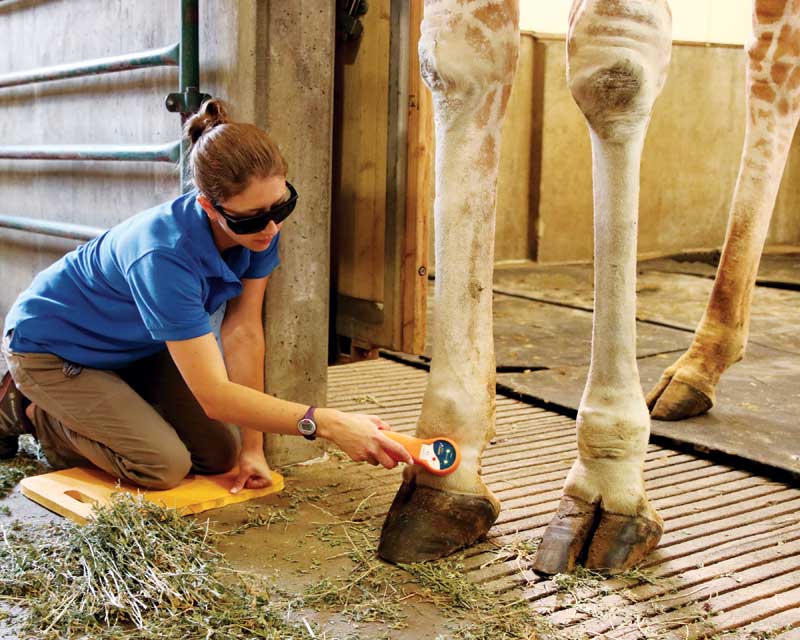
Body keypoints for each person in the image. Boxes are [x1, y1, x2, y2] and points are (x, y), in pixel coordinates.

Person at [0, 99, 412, 493]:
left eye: (281, 207)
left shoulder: (256, 228)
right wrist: (328, 423)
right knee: (162, 465)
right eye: (252, 218)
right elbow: (214, 396)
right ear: (208, 207)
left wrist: (253, 449)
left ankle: (110, 401)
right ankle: (28, 412)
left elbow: (244, 333)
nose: (270, 229)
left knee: (220, 454)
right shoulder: (163, 255)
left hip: (133, 344)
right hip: (52, 348)